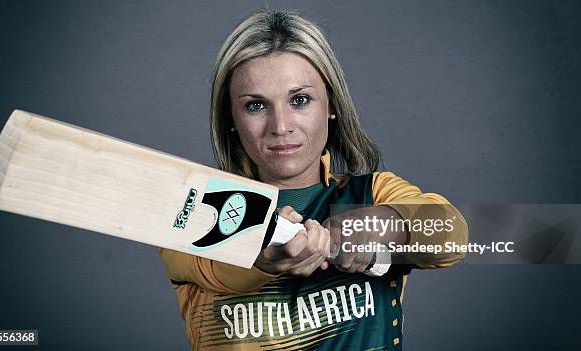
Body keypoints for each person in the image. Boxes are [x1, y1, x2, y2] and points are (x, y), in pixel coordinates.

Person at [159, 9, 468, 350]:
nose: (281, 126)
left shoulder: (374, 193)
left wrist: (385, 223)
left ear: (331, 105)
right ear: (231, 117)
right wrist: (263, 256)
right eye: (256, 105)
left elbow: (453, 236)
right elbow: (215, 265)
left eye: (300, 100)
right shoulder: (194, 210)